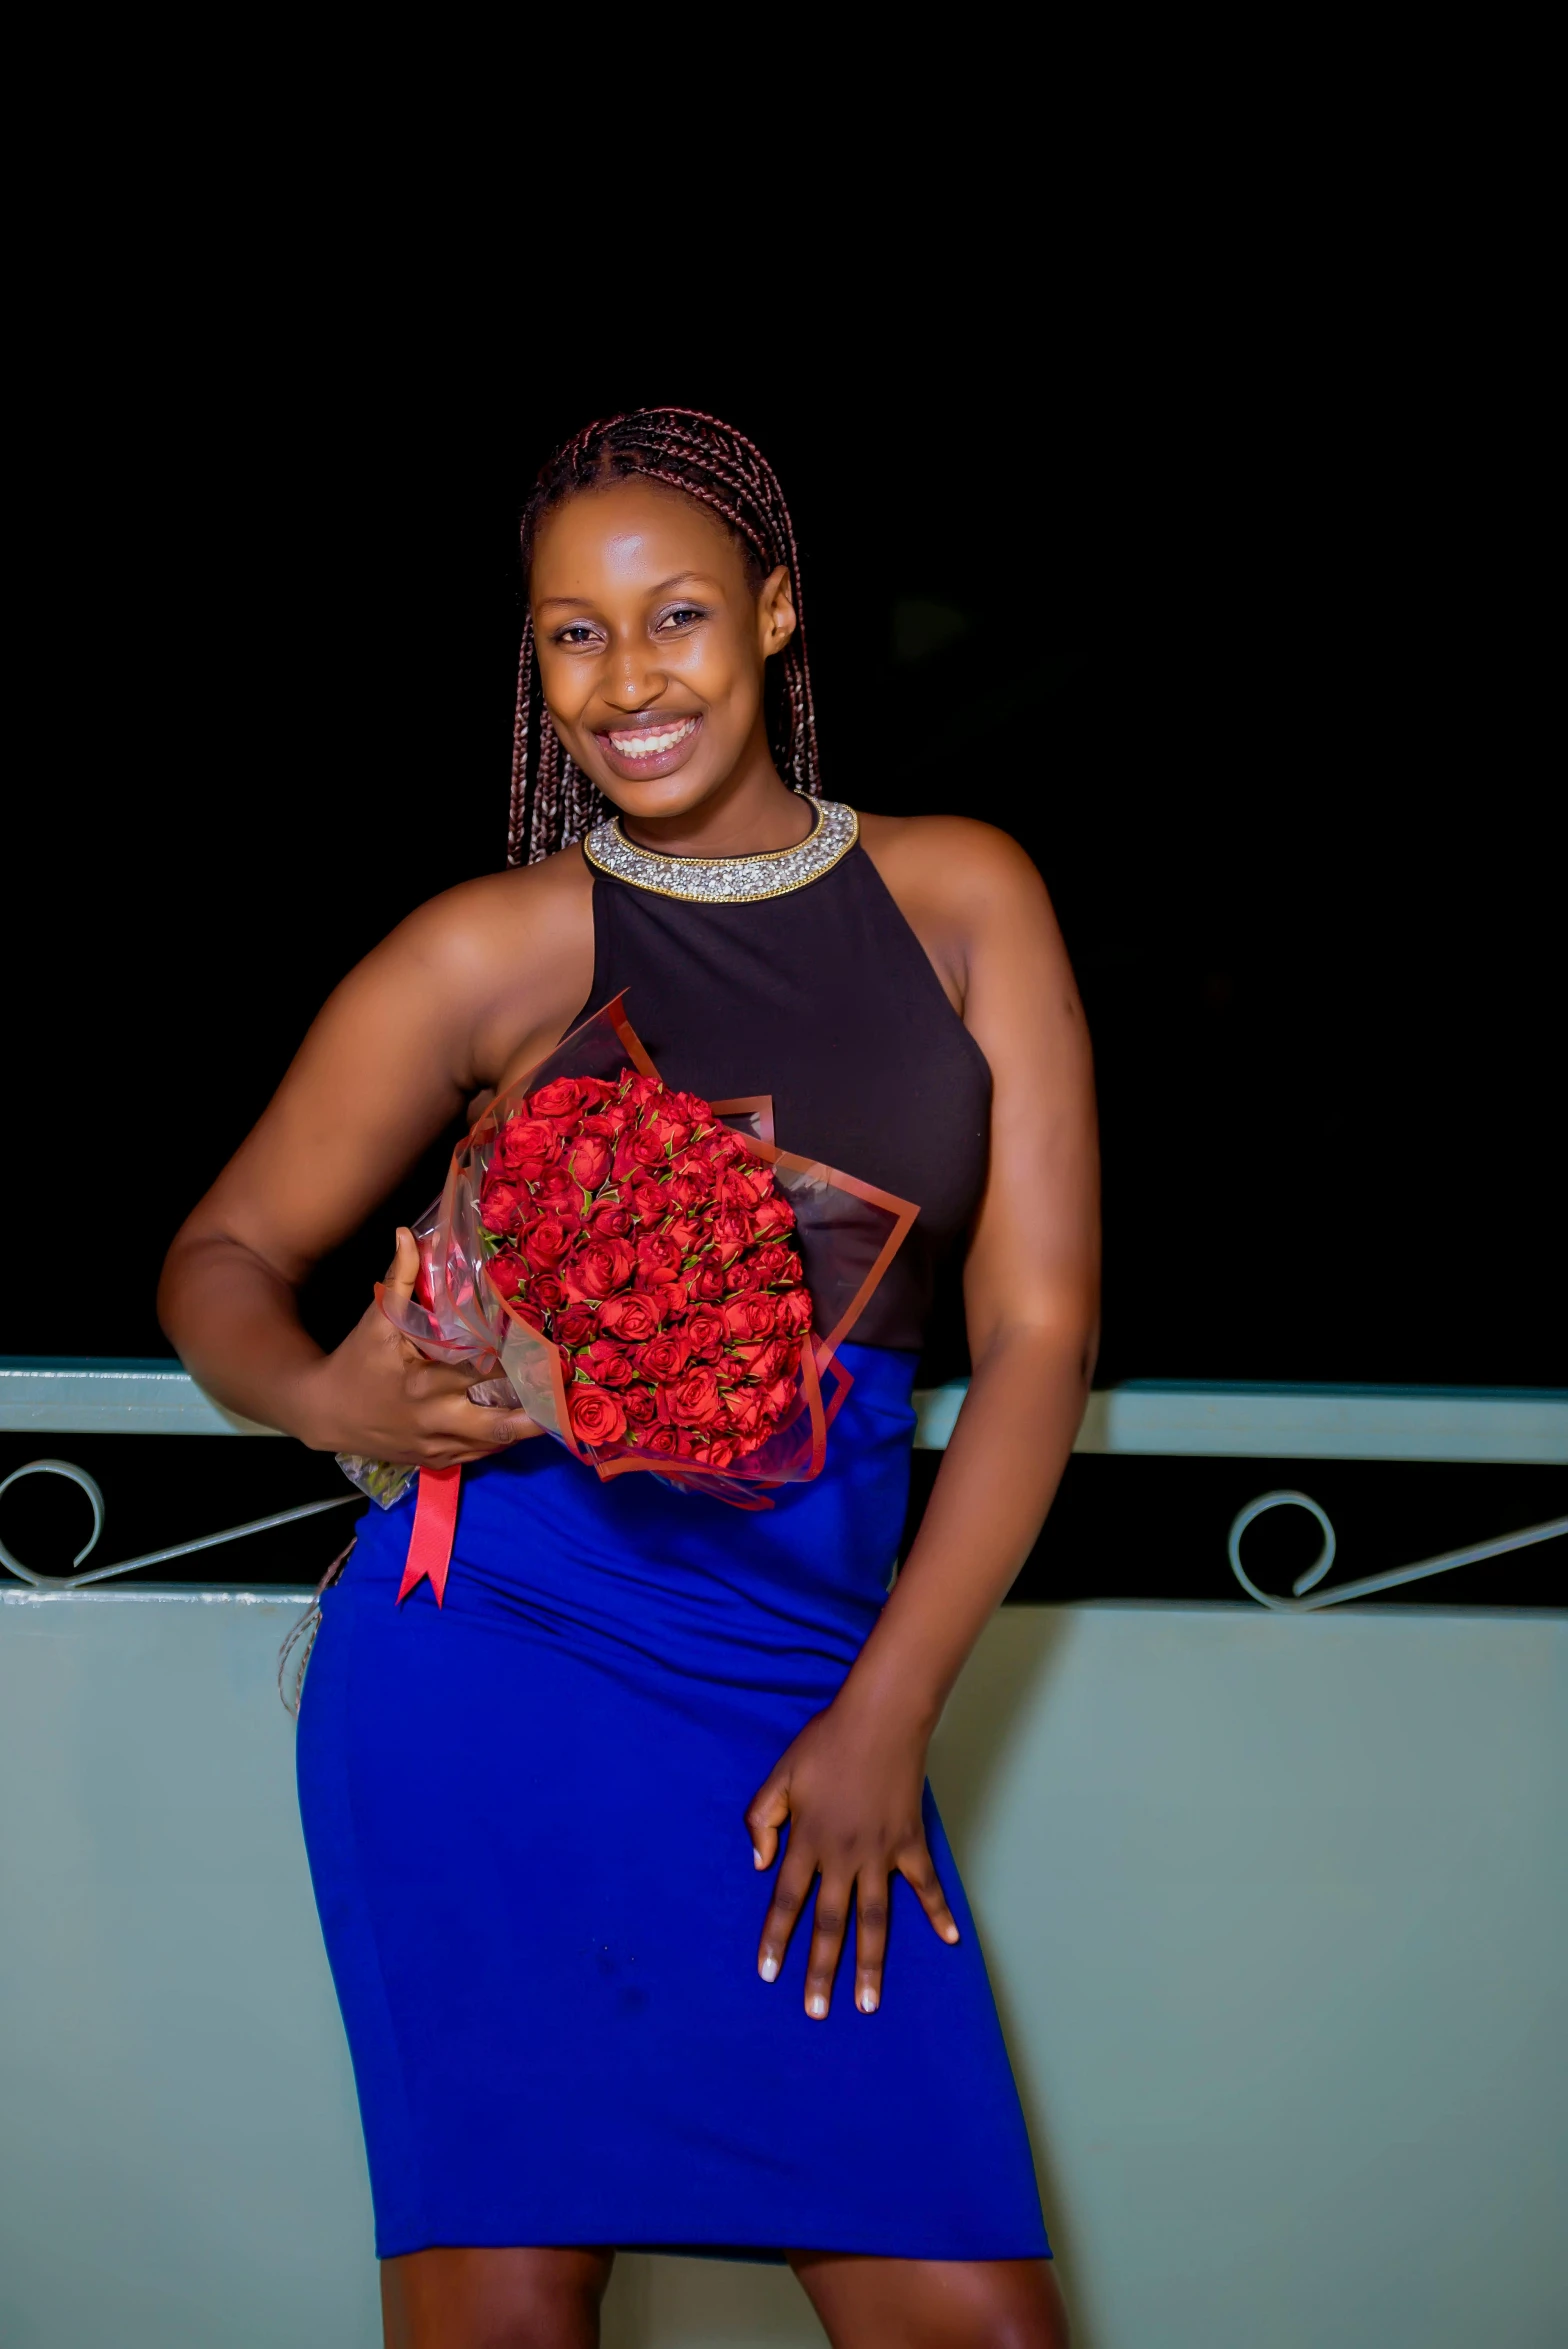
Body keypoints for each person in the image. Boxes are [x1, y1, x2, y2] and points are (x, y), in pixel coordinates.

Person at [159, 408, 1098, 2349]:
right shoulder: (488, 949)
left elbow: (1033, 1338)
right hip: (499, 1665)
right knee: (507, 2316)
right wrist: (340, 1402)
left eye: (672, 615)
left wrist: (887, 1709)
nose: (625, 677)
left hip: (818, 1679)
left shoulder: (963, 897)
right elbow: (219, 1261)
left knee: (976, 2322)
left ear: (770, 614)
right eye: (571, 635)